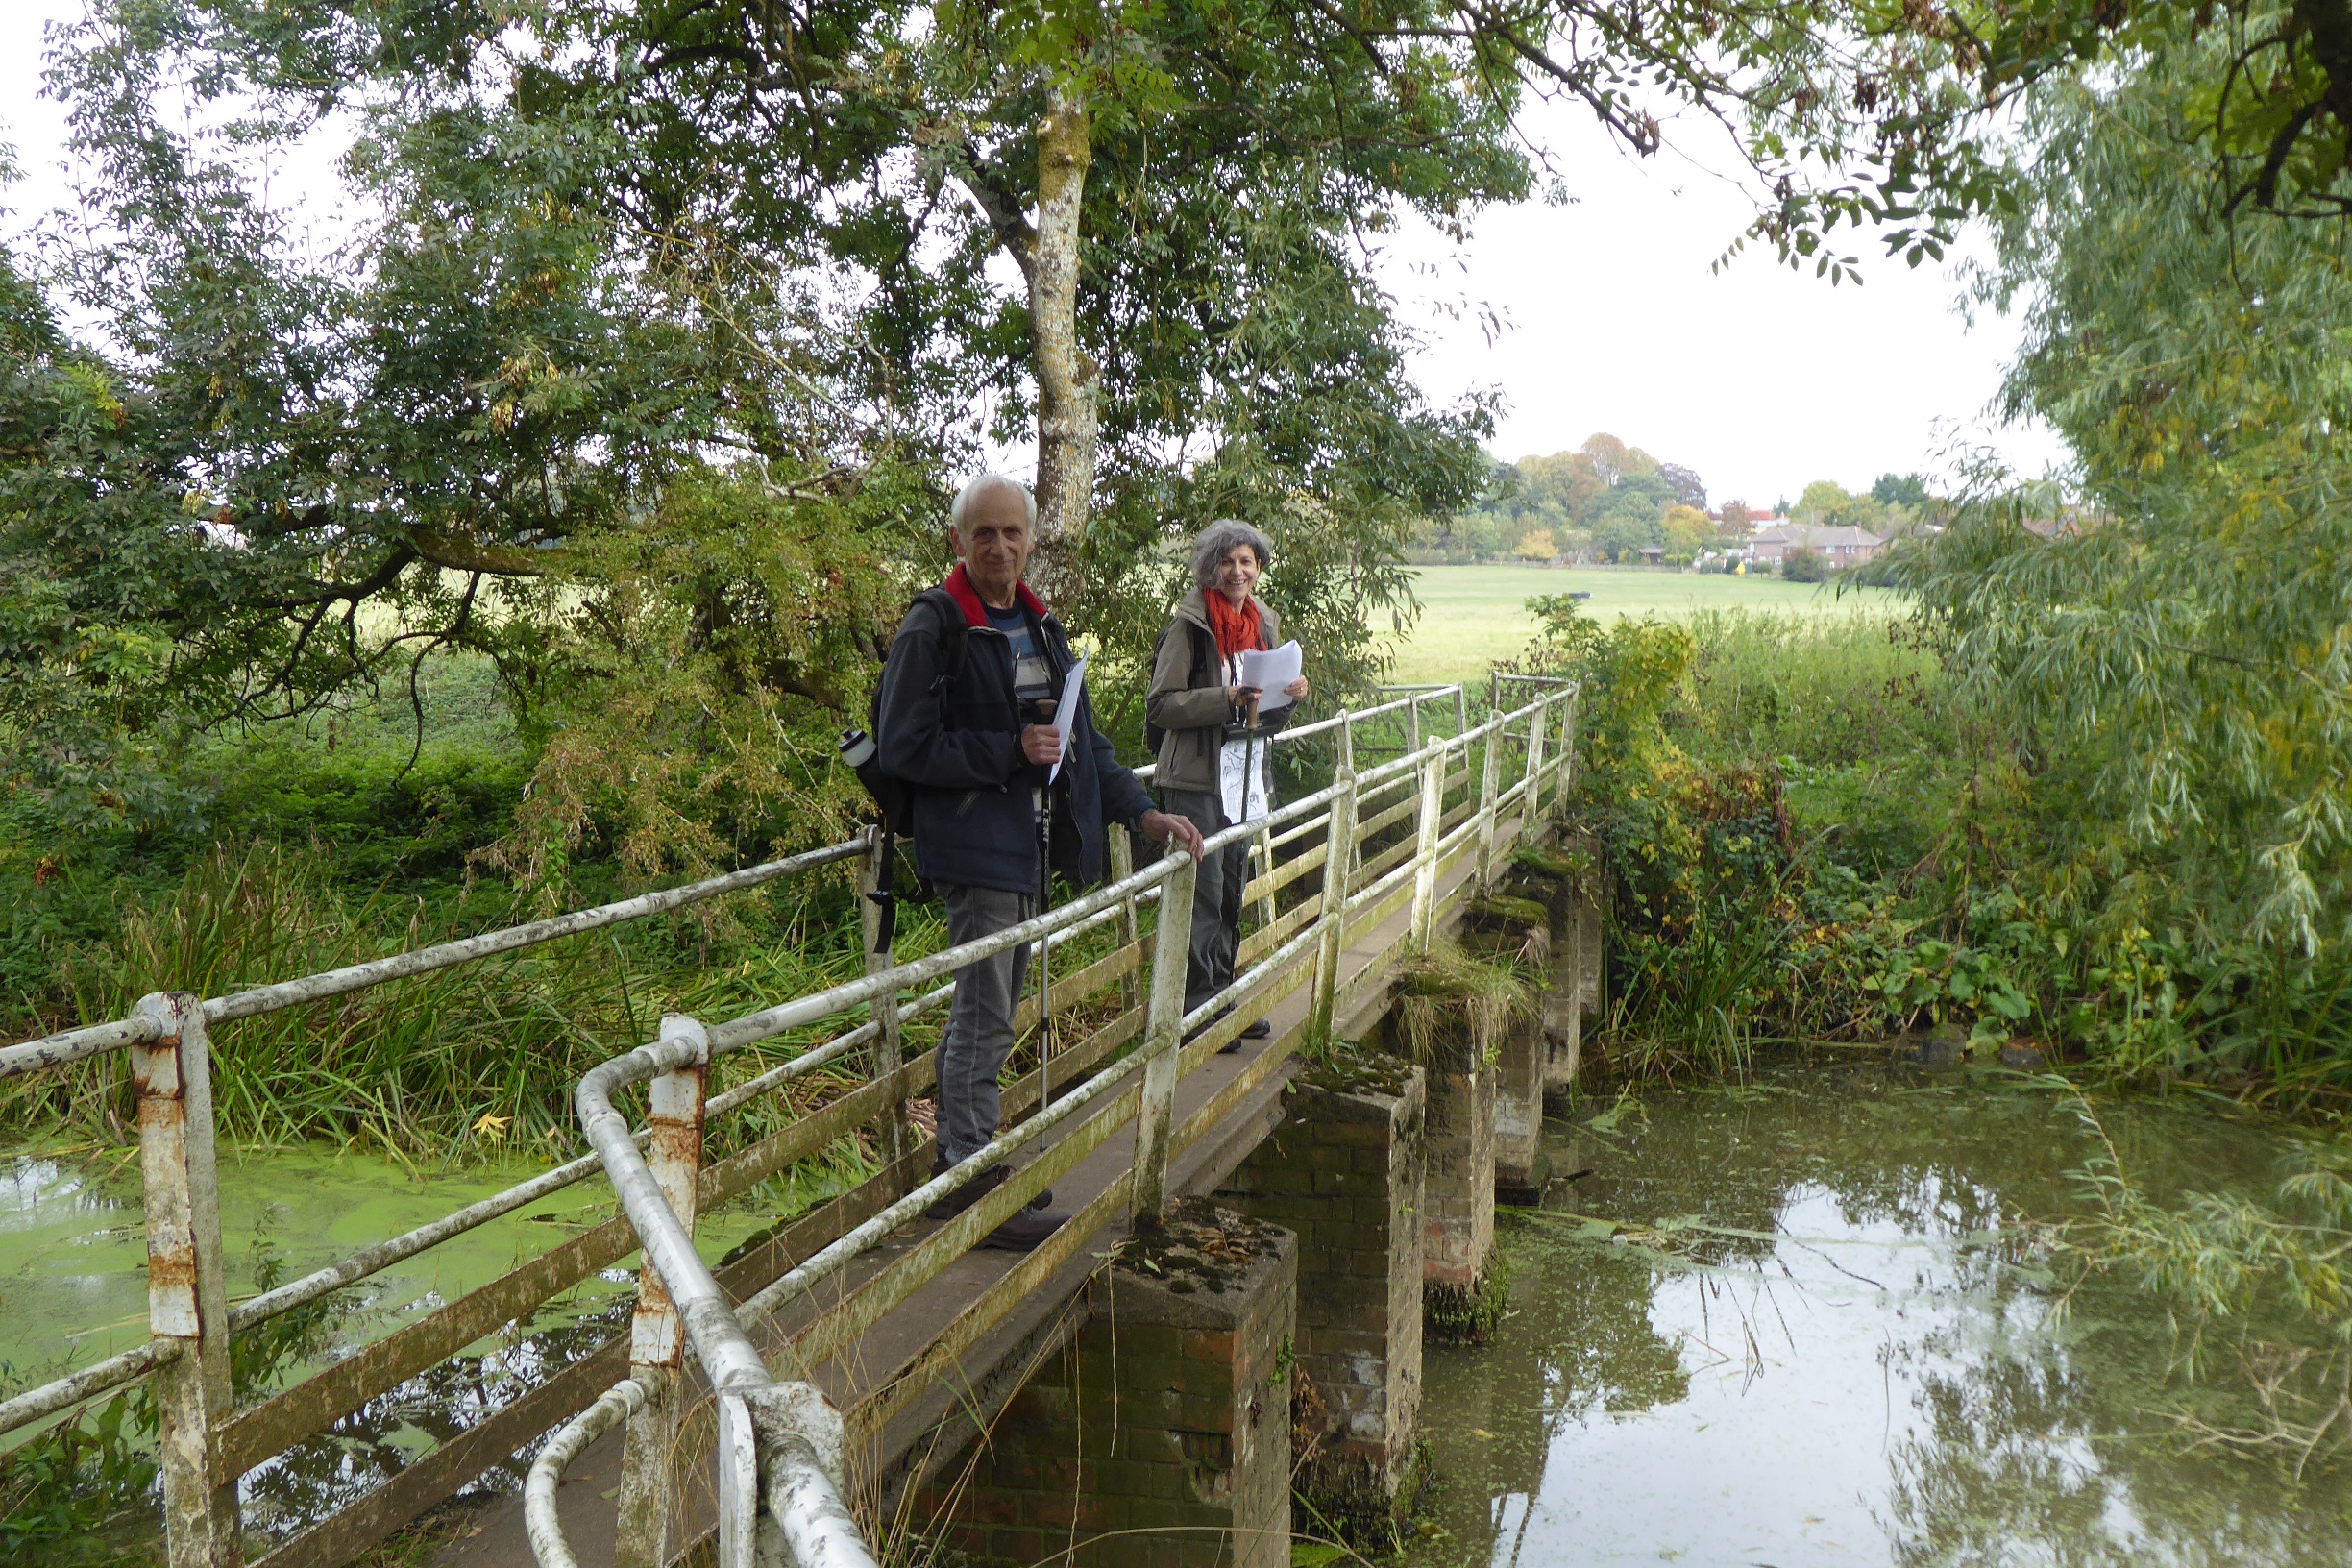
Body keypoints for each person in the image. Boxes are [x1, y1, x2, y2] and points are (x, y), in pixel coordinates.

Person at [874, 474, 1204, 1250]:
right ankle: (970, 1181)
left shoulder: (1040, 627)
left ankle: (963, 1167)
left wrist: (1144, 813)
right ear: (958, 541)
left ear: (1030, 541)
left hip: (1026, 846)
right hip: (974, 846)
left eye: (1011, 533)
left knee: (988, 1008)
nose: (999, 547)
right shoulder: (936, 626)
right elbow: (903, 747)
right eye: (983, 534)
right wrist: (1008, 753)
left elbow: (1084, 745)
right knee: (986, 1010)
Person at [1144, 519, 1310, 1043]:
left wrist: (1290, 696)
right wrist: (1226, 699)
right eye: (1228, 561)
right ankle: (1195, 1011)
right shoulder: (1190, 626)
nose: (1238, 571)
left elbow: (1266, 717)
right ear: (1210, 569)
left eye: (1247, 561)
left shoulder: (1263, 625)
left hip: (1243, 778)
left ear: (1258, 569)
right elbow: (1162, 704)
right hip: (1194, 781)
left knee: (1233, 887)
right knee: (1204, 891)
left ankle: (1222, 994)